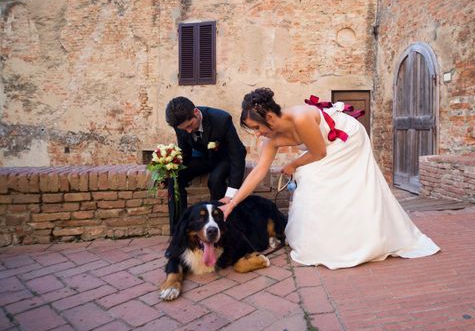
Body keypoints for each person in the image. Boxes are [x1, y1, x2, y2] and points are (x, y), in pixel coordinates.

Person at [219, 88, 440, 269]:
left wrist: (293, 164)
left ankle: (364, 237)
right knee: (312, 179)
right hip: (322, 146)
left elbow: (319, 154)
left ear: (269, 117)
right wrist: (233, 202)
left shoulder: (301, 118)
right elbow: (258, 172)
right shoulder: (270, 139)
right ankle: (331, 238)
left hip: (347, 138)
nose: (257, 134)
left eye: (257, 128)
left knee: (315, 177)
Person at [165, 96, 246, 234]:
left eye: (190, 126)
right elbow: (185, 153)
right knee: (174, 178)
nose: (189, 131)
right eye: (184, 129)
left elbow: (236, 155)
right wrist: (169, 168)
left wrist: (231, 194)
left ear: (196, 112)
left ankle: (219, 227)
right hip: (202, 157)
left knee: (215, 180)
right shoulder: (180, 125)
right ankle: (179, 230)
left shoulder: (222, 119)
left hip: (224, 157)